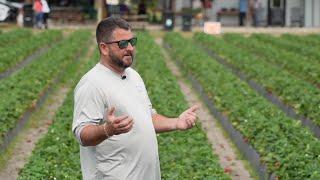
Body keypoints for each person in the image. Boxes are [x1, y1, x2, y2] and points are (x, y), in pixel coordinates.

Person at [72, 16, 199, 180]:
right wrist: (107, 130)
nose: (130, 48)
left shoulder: (134, 76)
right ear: (104, 48)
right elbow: (82, 133)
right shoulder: (92, 84)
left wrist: (176, 122)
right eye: (123, 44)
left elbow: (148, 118)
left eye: (132, 41)